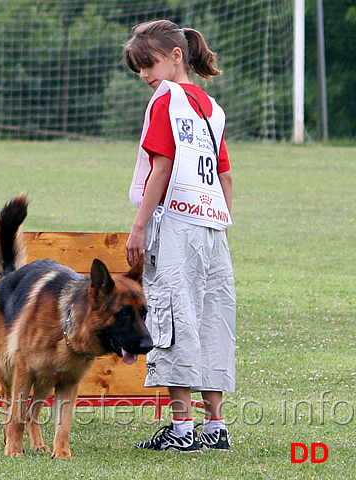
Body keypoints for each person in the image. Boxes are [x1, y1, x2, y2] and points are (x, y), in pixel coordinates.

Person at [123, 19, 236, 452]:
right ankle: (216, 427)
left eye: (148, 63)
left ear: (175, 56)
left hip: (176, 222)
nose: (144, 75)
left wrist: (139, 225)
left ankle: (182, 428)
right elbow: (225, 176)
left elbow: (162, 166)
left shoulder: (166, 99)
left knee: (173, 314)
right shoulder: (211, 107)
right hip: (212, 226)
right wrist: (218, 222)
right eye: (138, 68)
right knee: (212, 318)